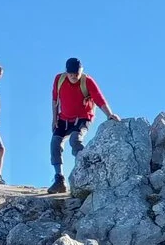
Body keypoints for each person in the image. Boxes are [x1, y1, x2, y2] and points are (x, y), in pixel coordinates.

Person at [48, 57, 120, 194]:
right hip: (63, 118)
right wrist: (54, 118)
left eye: (76, 74)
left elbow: (99, 98)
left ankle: (86, 170)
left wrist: (109, 114)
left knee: (75, 139)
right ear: (66, 72)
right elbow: (54, 99)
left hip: (82, 118)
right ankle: (59, 179)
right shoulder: (59, 79)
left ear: (81, 71)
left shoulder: (87, 81)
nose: (74, 76)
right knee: (55, 143)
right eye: (71, 74)